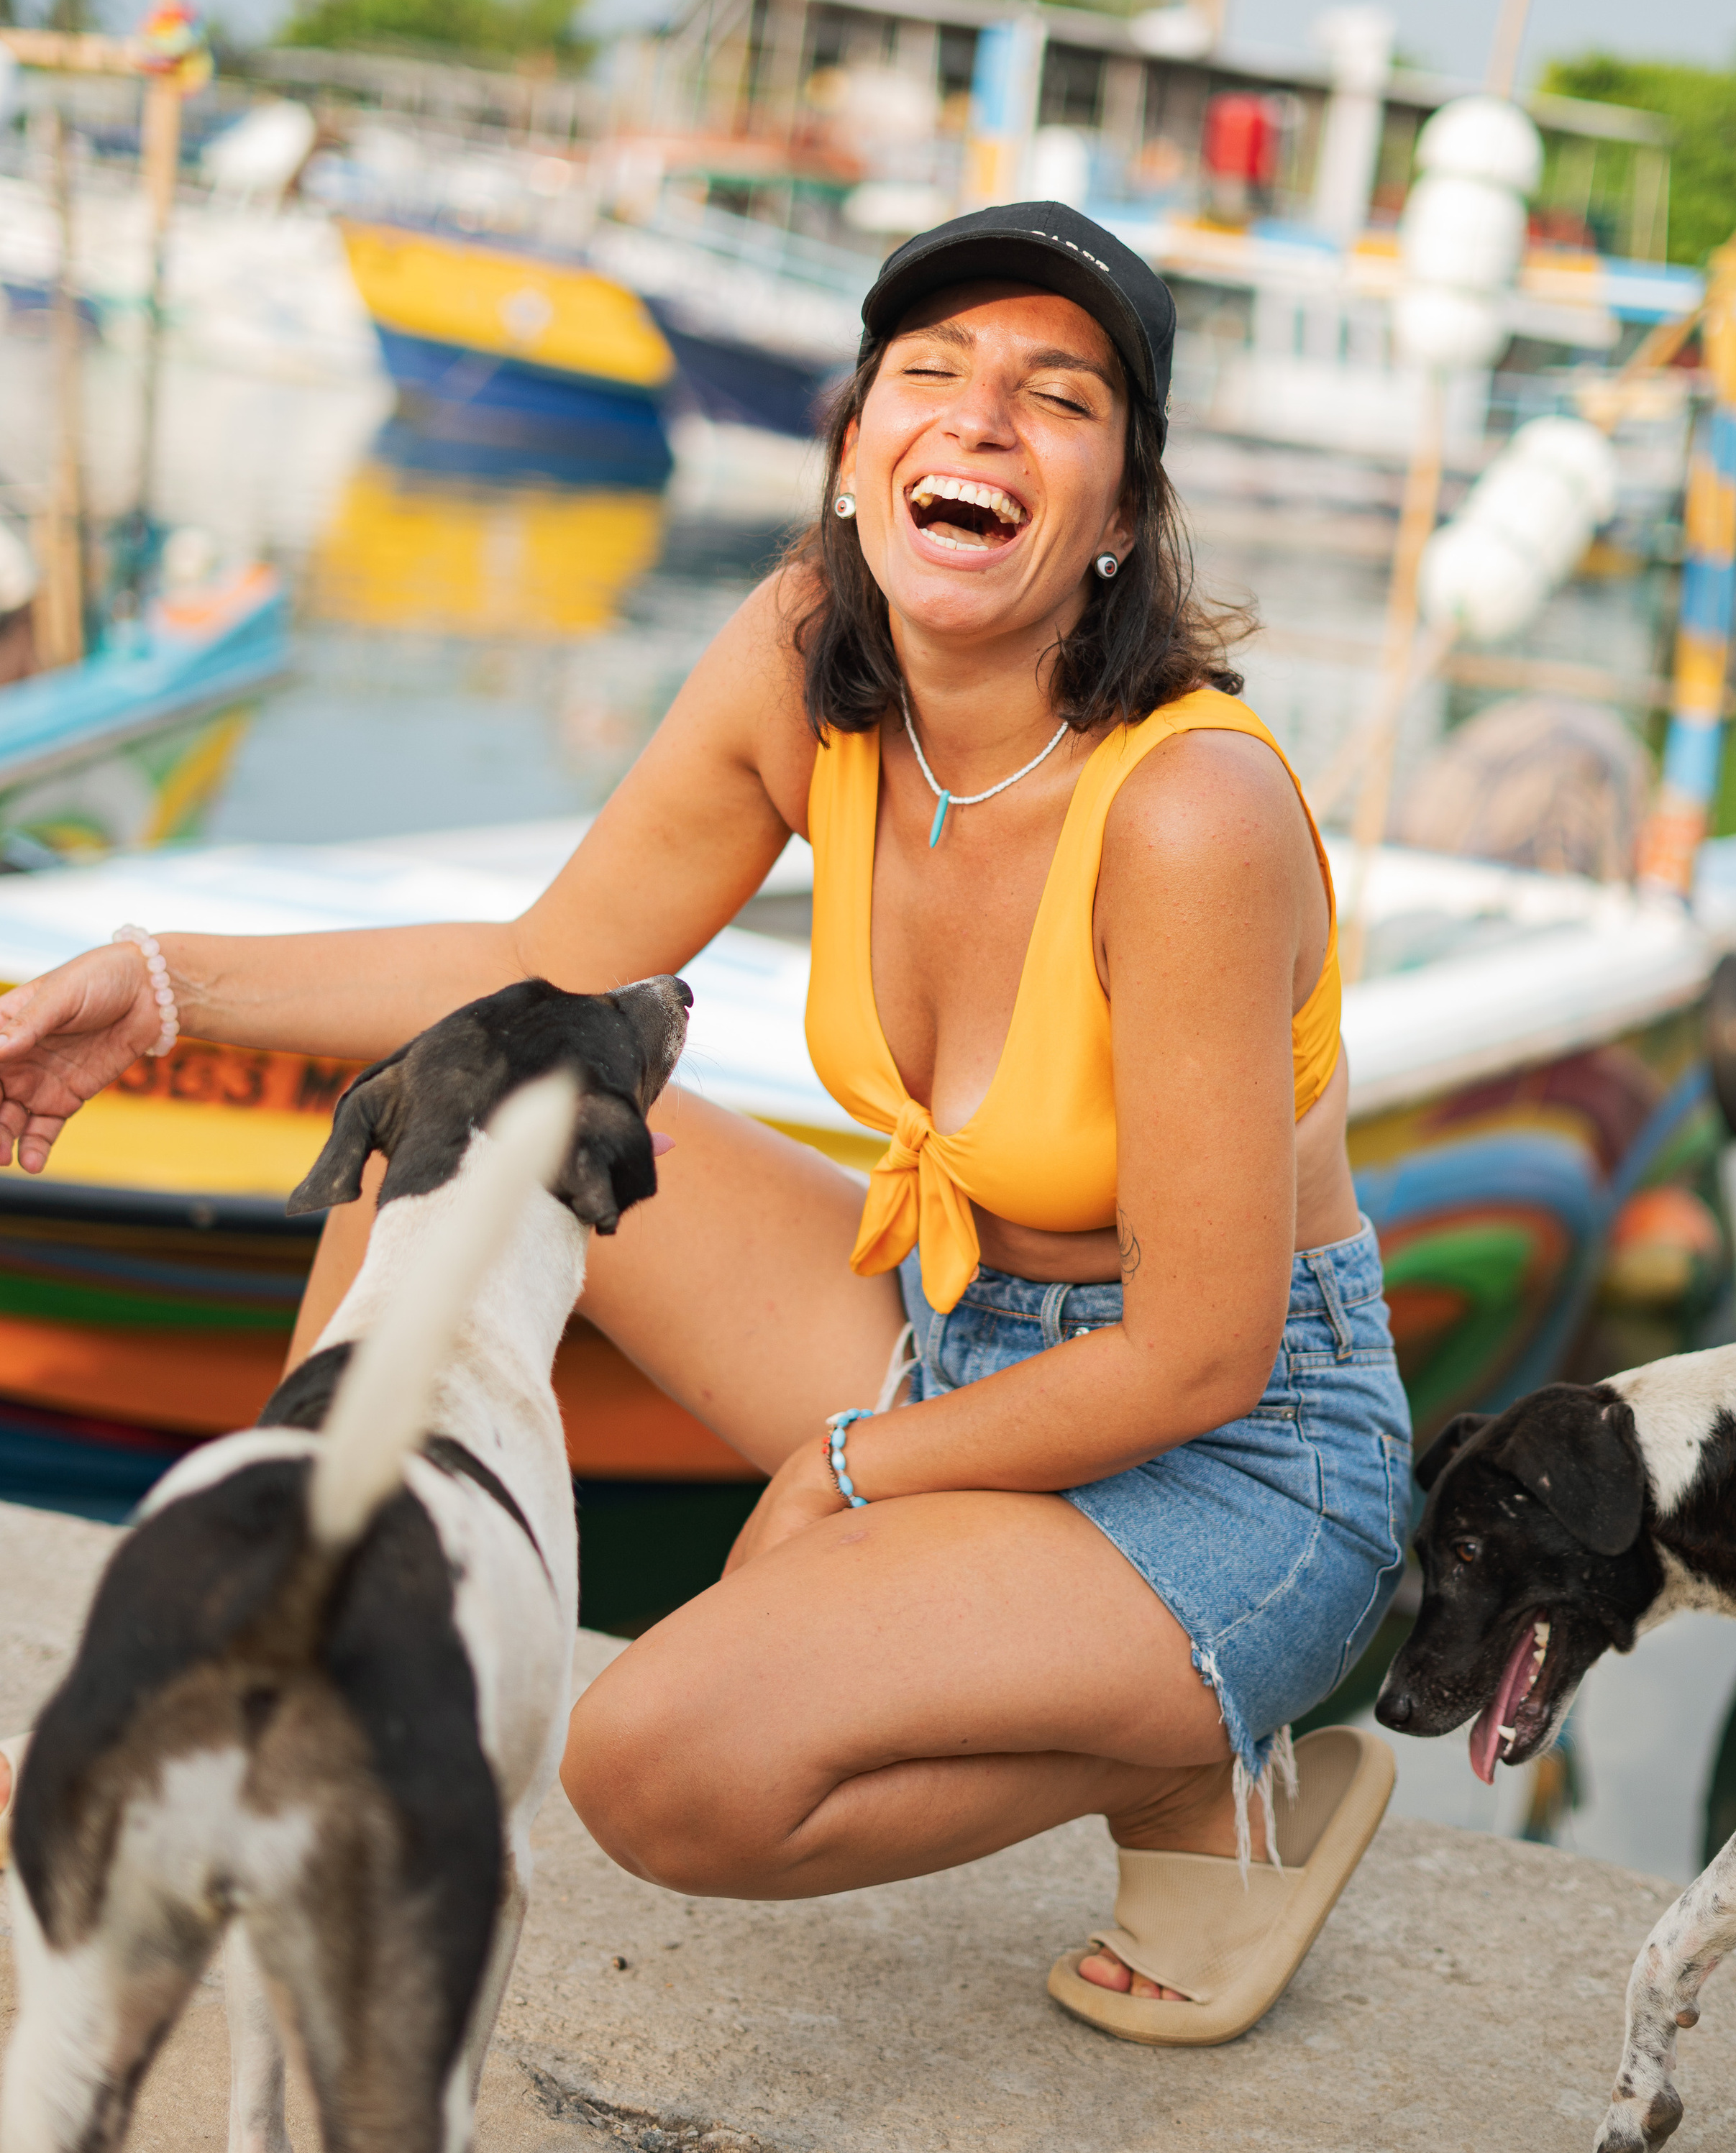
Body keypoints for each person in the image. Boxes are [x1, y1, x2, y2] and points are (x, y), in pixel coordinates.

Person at [0, 201, 1410, 2044]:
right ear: (854, 450)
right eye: (930, 374)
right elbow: (538, 967)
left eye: (1056, 397)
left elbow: (1200, 1351)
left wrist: (847, 1470)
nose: (979, 419)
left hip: (1231, 1458)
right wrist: (156, 989)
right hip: (951, 1327)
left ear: (1121, 516)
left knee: (659, 1770)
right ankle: (278, 1655)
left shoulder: (1189, 814)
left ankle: (1196, 1776)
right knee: (463, 1102)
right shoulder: (810, 655)